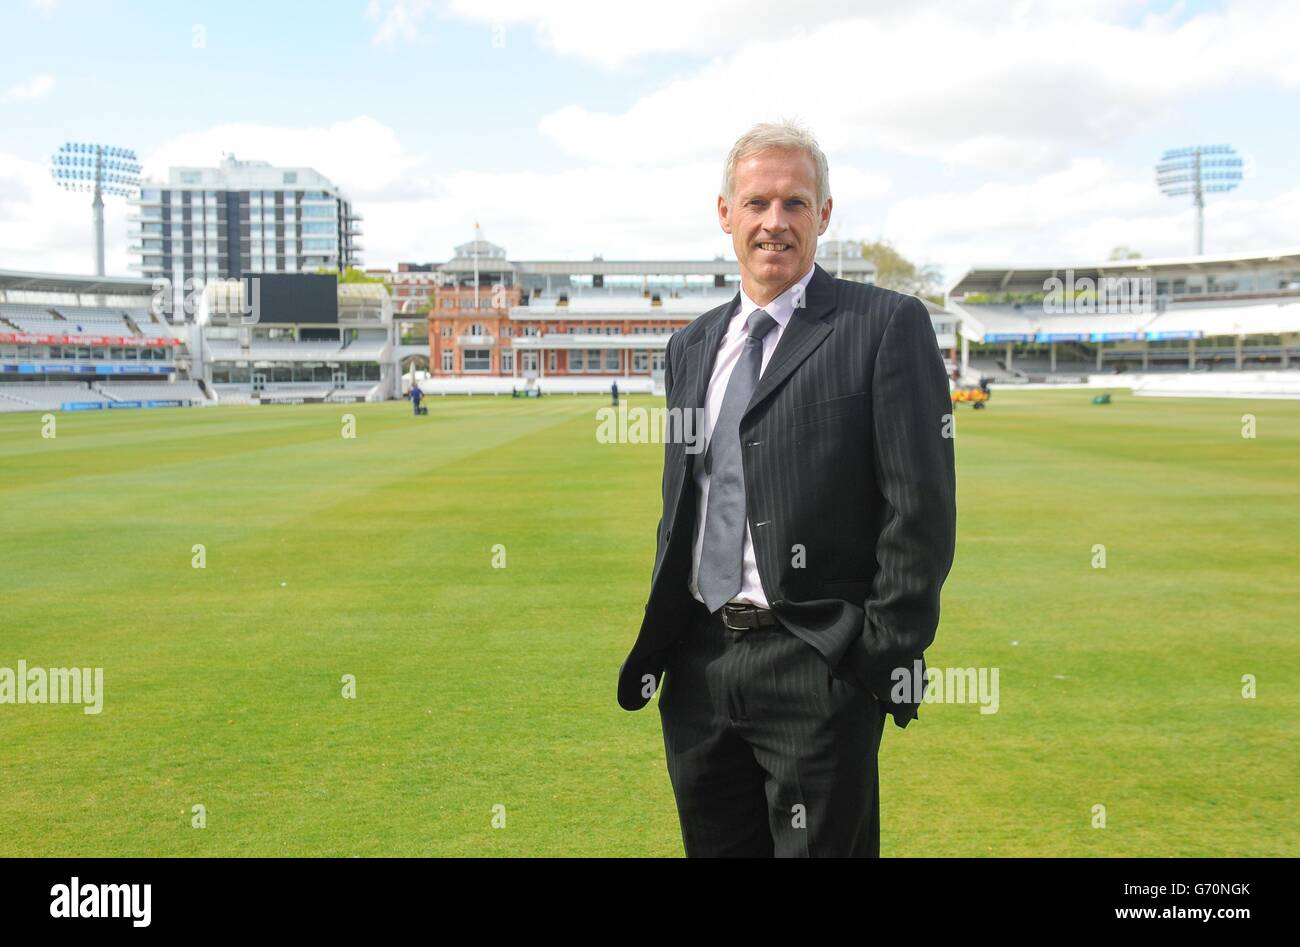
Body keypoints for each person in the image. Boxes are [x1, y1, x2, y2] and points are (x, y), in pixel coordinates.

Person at [617, 120, 956, 857]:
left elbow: (920, 513)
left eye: (796, 203)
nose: (776, 221)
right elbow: (684, 502)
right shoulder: (691, 345)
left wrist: (872, 659)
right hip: (701, 670)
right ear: (725, 213)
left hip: (817, 667)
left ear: (824, 216)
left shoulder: (884, 326)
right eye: (758, 202)